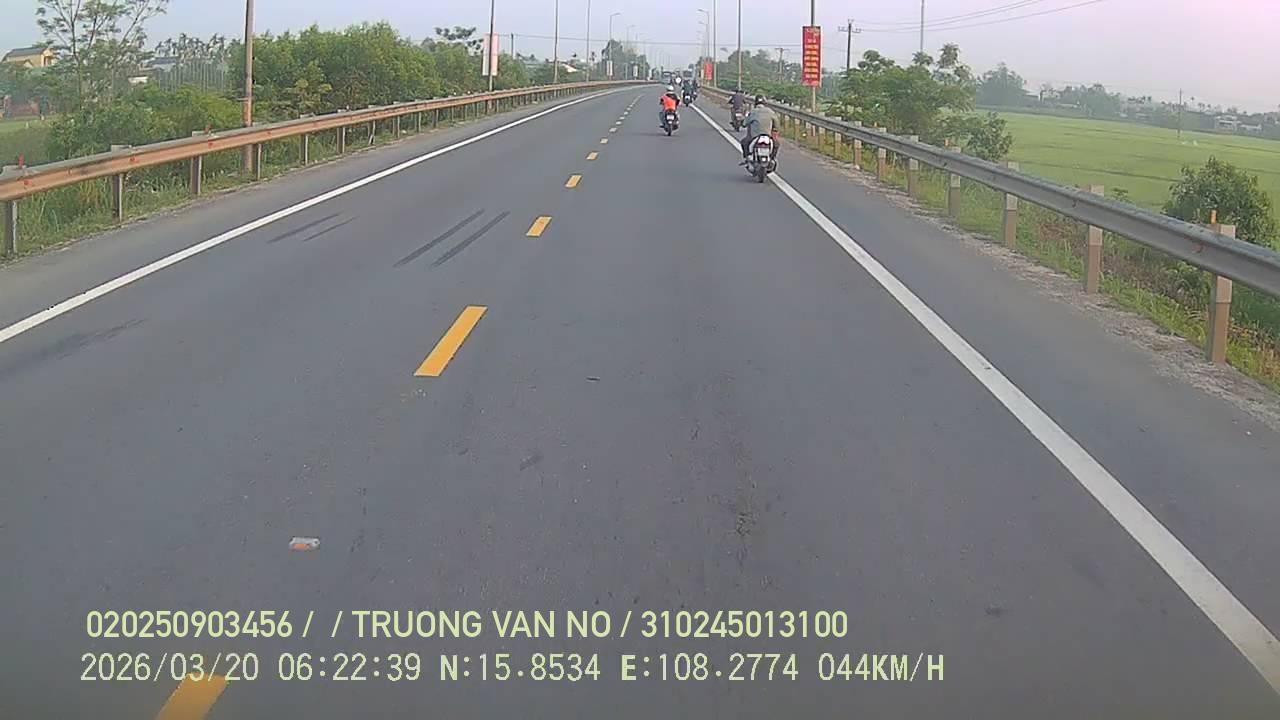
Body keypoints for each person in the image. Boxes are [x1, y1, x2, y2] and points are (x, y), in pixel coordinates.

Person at [741, 95, 778, 162]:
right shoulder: (770, 112)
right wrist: (775, 129)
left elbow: (744, 123)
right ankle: (772, 158)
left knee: (744, 142)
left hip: (755, 136)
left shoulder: (753, 112)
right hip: (768, 136)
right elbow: (776, 124)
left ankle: (747, 157)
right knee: (776, 144)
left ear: (755, 103)